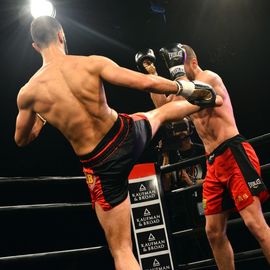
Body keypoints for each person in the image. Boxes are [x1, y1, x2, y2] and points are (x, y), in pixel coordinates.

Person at [14, 17, 220, 270]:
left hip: (100, 165)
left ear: (35, 46)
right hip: (126, 135)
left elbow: (21, 139)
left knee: (122, 250)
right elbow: (145, 82)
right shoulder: (91, 63)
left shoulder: (29, 92)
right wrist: (182, 87)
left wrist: (42, 118)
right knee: (161, 114)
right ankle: (212, 98)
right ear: (61, 35)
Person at [139, 44, 270, 269]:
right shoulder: (185, 88)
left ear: (192, 62)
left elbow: (198, 94)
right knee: (213, 232)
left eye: (180, 66)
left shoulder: (209, 77)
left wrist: (177, 73)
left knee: (255, 224)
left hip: (233, 152)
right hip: (214, 162)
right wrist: (151, 75)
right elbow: (165, 108)